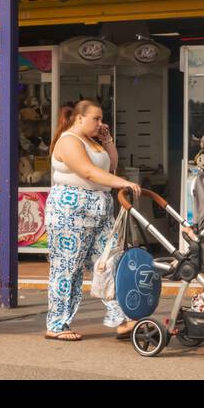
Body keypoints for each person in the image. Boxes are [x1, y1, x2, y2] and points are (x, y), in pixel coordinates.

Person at [44, 100, 141, 341]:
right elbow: (87, 171)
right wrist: (123, 183)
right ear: (79, 118)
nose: (100, 123)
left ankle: (121, 317)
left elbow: (112, 166)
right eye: (95, 119)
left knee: (109, 261)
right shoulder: (68, 140)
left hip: (99, 210)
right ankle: (57, 324)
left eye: (101, 119)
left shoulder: (93, 141)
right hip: (70, 212)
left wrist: (107, 141)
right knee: (68, 268)